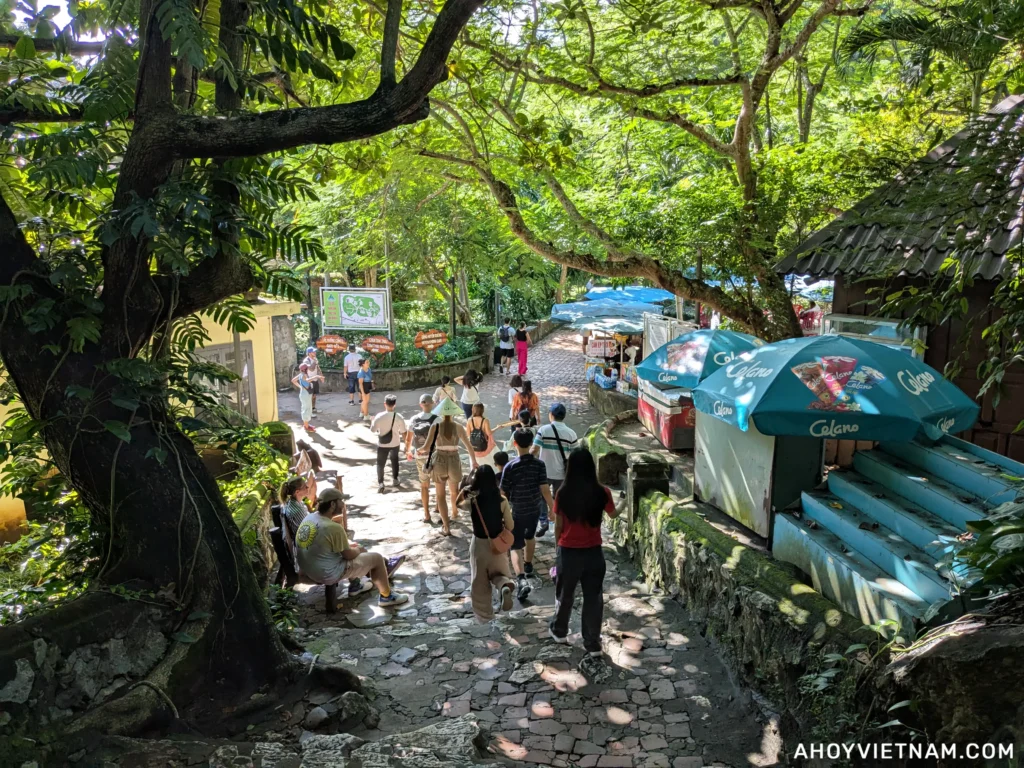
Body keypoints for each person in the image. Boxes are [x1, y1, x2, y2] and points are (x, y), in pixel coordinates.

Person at [548, 448, 620, 658]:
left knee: (565, 594)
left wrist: (557, 548)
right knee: (593, 598)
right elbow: (613, 514)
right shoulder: (602, 492)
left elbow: (558, 526)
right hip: (593, 553)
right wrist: (625, 503)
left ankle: (560, 631)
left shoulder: (563, 493)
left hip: (569, 552)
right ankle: (592, 642)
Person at [295, 488, 409, 607]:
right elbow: (348, 555)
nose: (344, 504)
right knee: (376, 558)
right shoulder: (332, 527)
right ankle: (387, 596)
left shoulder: (310, 518)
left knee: (348, 547)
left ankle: (356, 585)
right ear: (333, 504)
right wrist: (359, 549)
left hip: (307, 569)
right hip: (326, 574)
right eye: (341, 501)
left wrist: (351, 547)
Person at [500, 429, 554, 602]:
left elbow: (503, 493)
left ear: (515, 443)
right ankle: (529, 564)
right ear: (532, 444)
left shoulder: (510, 467)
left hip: (516, 511)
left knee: (516, 544)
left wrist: (500, 512)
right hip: (534, 508)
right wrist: (552, 508)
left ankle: (521, 578)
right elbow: (545, 489)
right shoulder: (539, 465)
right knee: (530, 536)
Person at [459, 465, 515, 622]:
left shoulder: (473, 501)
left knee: (480, 583)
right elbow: (510, 526)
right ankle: (504, 586)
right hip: (498, 545)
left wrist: (462, 493)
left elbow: (457, 505)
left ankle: (485, 618)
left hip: (479, 545)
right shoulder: (502, 501)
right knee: (500, 574)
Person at [418, 397, 479, 536]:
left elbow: (426, 447)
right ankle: (455, 512)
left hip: (439, 459)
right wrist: (474, 461)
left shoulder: (435, 426)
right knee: (454, 490)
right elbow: (469, 446)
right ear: (453, 413)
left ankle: (446, 527)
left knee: (440, 495)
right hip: (454, 459)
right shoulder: (458, 427)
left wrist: (418, 451)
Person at [532, 403, 578, 539]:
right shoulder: (571, 433)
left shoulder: (543, 430)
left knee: (541, 497)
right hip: (562, 473)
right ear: (564, 416)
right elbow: (575, 455)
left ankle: (544, 520)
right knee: (559, 499)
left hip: (543, 472)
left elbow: (534, 450)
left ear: (551, 415)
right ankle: (559, 523)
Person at [406, 394, 439, 523]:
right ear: (432, 404)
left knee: (424, 485)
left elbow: (409, 438)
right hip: (434, 454)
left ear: (420, 404)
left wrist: (408, 450)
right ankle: (438, 507)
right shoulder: (437, 419)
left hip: (419, 455)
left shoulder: (414, 419)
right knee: (438, 484)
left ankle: (426, 514)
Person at [371, 394, 407, 494]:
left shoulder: (379, 416)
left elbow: (373, 430)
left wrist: (372, 421)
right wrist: (407, 446)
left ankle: (381, 483)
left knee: (380, 464)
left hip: (382, 444)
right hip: (395, 443)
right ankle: (395, 479)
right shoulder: (399, 417)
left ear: (385, 404)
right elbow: (404, 432)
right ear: (394, 404)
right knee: (395, 461)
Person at [467, 403, 496, 468]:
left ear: (473, 410)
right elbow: (489, 433)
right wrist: (497, 428)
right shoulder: (485, 420)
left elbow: (468, 434)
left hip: (474, 447)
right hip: (484, 446)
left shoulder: (469, 420)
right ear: (482, 410)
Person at [292, 364, 316, 432]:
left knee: (306, 408)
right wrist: (317, 376)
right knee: (306, 409)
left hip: (304, 394)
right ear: (305, 369)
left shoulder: (301, 374)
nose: (308, 369)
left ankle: (306, 424)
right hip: (305, 395)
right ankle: (306, 426)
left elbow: (293, 380)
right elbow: (308, 380)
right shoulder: (304, 375)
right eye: (307, 368)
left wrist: (300, 387)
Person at [302, 346, 324, 414]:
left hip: (315, 379)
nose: (315, 352)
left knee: (314, 396)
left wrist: (321, 376)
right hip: (309, 380)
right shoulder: (306, 361)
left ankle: (313, 408)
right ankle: (309, 411)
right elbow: (311, 368)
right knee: (309, 396)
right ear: (309, 353)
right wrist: (314, 362)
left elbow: (318, 368)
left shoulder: (315, 359)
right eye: (313, 352)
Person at [357, 358, 374, 423]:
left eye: (368, 362)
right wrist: (363, 393)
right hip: (363, 387)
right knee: (365, 401)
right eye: (367, 362)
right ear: (363, 364)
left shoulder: (368, 369)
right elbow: (360, 384)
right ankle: (366, 415)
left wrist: (371, 383)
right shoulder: (361, 372)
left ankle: (361, 413)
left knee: (365, 401)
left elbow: (370, 378)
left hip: (367, 385)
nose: (368, 363)